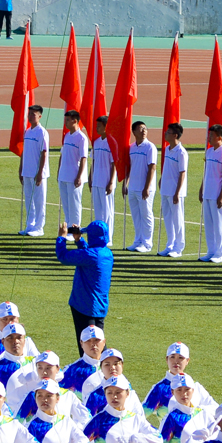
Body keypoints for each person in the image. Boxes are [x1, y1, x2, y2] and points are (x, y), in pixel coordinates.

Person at [55, 220, 113, 348]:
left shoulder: (91, 255)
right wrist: (79, 240)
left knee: (88, 347)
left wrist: (61, 238)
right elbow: (88, 255)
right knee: (98, 345)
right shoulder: (107, 253)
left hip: (84, 306)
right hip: (99, 307)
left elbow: (63, 256)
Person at [125, 120, 158, 253]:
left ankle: (147, 243)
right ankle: (138, 240)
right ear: (134, 132)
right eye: (140, 128)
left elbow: (152, 168)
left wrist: (146, 187)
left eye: (145, 128)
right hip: (133, 187)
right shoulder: (132, 147)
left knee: (146, 215)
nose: (144, 131)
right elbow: (129, 167)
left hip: (145, 189)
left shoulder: (150, 147)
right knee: (136, 215)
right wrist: (126, 184)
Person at [157, 123, 189, 258]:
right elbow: (167, 168)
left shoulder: (181, 152)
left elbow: (182, 173)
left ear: (175, 135)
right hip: (165, 190)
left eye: (168, 132)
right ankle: (170, 245)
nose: (165, 134)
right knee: (168, 219)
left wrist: (177, 192)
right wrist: (161, 180)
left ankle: (178, 248)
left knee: (177, 220)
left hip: (175, 192)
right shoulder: (167, 149)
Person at [200, 123, 222, 263]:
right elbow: (206, 172)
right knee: (209, 225)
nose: (209, 138)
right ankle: (211, 251)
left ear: (219, 137)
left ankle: (220, 254)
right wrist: (202, 189)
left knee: (219, 225)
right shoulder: (209, 151)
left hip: (218, 195)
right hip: (208, 193)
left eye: (211, 135)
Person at [19, 103, 50, 236]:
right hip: (27, 172)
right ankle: (30, 225)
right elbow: (24, 151)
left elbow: (44, 153)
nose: (30, 116)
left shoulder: (42, 132)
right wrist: (21, 168)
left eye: (33, 114)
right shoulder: (27, 132)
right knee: (29, 200)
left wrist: (40, 173)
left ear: (40, 116)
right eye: (29, 113)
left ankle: (39, 227)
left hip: (38, 174)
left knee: (39, 201)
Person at [56, 110, 89, 229]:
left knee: (74, 204)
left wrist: (79, 176)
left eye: (67, 120)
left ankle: (74, 229)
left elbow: (84, 158)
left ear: (75, 121)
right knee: (66, 205)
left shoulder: (81, 138)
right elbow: (62, 154)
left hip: (74, 177)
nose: (65, 122)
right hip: (63, 176)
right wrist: (59, 172)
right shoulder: (67, 136)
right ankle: (68, 228)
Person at [88, 116, 119, 234]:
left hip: (106, 182)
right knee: (98, 211)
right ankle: (99, 236)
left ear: (106, 127)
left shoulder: (112, 143)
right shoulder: (96, 142)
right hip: (96, 181)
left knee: (107, 211)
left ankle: (108, 237)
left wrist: (111, 182)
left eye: (99, 126)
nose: (96, 128)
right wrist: (90, 177)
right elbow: (94, 161)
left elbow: (114, 164)